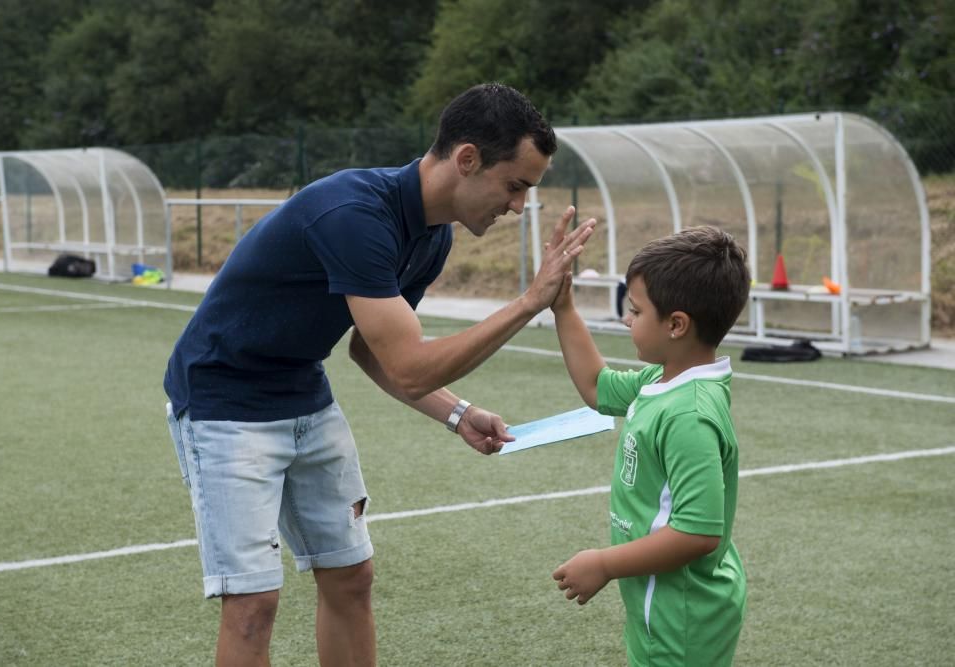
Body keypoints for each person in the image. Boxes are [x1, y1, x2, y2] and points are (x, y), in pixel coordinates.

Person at [163, 82, 595, 666]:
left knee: (351, 577)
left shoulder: (433, 236)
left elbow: (369, 351)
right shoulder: (355, 215)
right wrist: (527, 303)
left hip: (302, 393)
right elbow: (408, 367)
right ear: (467, 159)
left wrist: (459, 413)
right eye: (515, 185)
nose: (518, 206)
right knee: (253, 604)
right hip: (223, 401)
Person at [550, 226, 751, 666]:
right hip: (663, 603)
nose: (627, 319)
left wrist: (604, 563)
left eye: (636, 311)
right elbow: (596, 386)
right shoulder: (662, 380)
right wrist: (563, 306)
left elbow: (698, 533)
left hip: (683, 615)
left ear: (676, 325)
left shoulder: (688, 415)